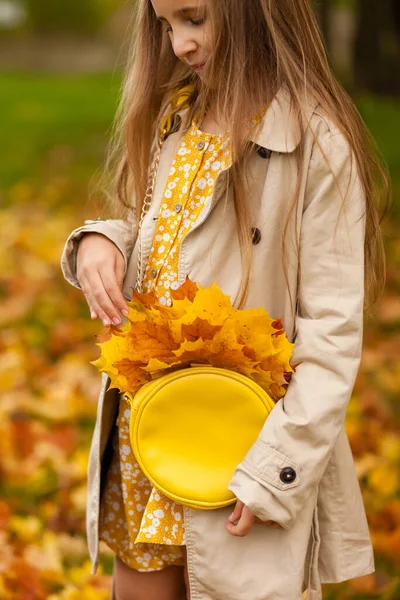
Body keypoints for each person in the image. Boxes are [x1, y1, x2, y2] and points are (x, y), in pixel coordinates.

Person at [60, 1, 389, 599]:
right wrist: (103, 240)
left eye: (194, 18)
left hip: (240, 448)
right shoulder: (178, 116)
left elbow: (332, 338)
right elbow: (161, 236)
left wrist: (275, 473)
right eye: (166, 26)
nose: (179, 44)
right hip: (150, 432)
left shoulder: (316, 145)